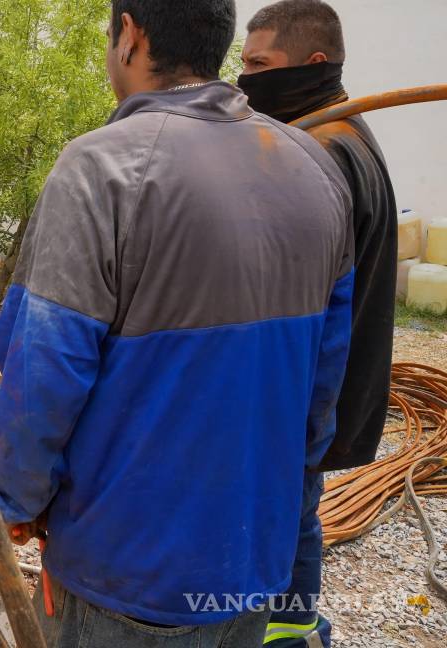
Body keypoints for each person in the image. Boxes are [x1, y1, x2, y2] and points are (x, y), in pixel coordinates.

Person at [0, 0, 356, 646]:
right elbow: (323, 390)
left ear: (130, 36)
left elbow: (42, 373)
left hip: (127, 574)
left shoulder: (101, 169)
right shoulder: (313, 167)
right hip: (251, 566)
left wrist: (15, 501)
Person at [238, 2, 398, 646]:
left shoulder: (324, 149)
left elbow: (288, 297)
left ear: (314, 63)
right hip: (325, 388)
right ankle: (292, 626)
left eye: (260, 65)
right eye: (243, 62)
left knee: (286, 515)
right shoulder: (343, 129)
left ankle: (286, 633)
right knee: (293, 510)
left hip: (307, 389)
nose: (245, 79)